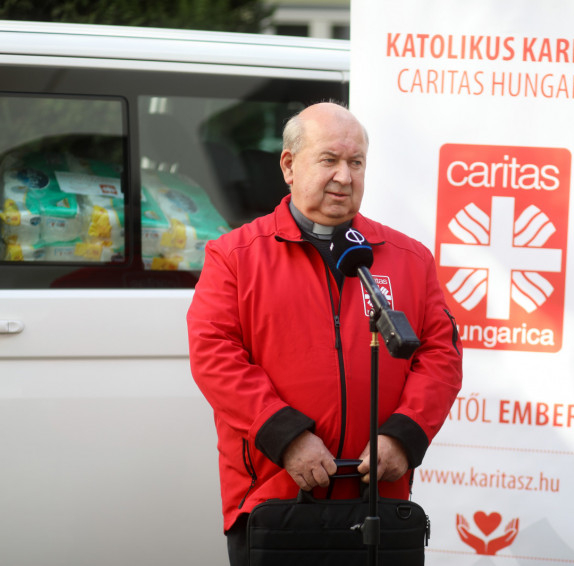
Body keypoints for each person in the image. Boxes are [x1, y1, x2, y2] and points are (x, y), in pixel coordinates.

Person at [186, 102, 463, 565]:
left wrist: (404, 434)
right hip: (277, 500)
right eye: (329, 160)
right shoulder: (235, 256)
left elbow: (441, 354)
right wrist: (286, 436)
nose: (344, 176)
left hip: (379, 501)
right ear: (289, 166)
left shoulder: (408, 258)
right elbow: (214, 355)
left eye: (356, 163)